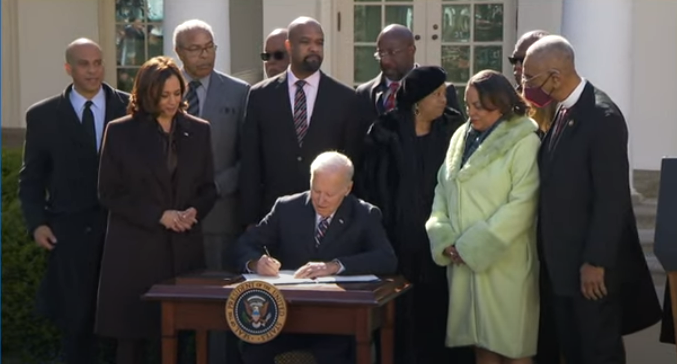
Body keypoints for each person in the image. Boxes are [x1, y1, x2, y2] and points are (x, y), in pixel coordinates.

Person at [523, 35, 661, 364]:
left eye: (530, 78)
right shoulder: (562, 112)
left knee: (597, 352)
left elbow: (611, 199)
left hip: (590, 273)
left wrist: (596, 262)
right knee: (572, 351)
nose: (525, 85)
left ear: (555, 76)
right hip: (561, 268)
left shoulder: (602, 117)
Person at [95, 56, 217, 364]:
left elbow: (208, 189)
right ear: (147, 93)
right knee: (133, 339)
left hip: (183, 252)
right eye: (165, 95)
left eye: (178, 93)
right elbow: (109, 193)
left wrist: (193, 211)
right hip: (135, 252)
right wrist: (158, 215)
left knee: (184, 336)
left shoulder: (199, 130)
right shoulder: (120, 132)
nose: (173, 101)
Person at [17, 38, 129, 364]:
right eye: (84, 64)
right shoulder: (42, 116)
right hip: (68, 237)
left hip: (121, 234)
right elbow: (32, 179)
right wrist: (36, 224)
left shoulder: (130, 108)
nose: (93, 70)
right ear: (69, 68)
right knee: (75, 326)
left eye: (97, 62)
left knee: (118, 324)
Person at [235, 151, 398, 364]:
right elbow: (244, 245)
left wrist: (335, 266)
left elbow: (386, 258)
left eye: (329, 194)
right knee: (253, 348)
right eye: (316, 190)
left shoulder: (365, 215)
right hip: (288, 318)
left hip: (338, 322)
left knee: (336, 354)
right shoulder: (286, 208)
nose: (321, 200)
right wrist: (256, 263)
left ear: (347, 189)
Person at [356, 66, 471, 364]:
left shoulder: (454, 129)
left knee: (438, 310)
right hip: (396, 239)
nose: (444, 99)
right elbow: (369, 187)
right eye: (437, 94)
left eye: (444, 92)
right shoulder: (385, 131)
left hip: (441, 239)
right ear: (418, 100)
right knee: (401, 316)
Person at [426, 70, 541, 364]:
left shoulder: (524, 140)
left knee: (514, 349)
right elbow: (443, 189)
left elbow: (523, 203)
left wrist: (474, 246)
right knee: (481, 347)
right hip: (461, 262)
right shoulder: (460, 138)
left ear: (499, 104)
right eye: (468, 105)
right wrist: (446, 238)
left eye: (478, 106)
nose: (471, 112)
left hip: (506, 262)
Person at [172, 18, 250, 364]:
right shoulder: (163, 90)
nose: (205, 55)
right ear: (178, 52)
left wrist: (214, 190)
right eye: (195, 49)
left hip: (220, 215)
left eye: (210, 47)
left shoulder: (240, 92)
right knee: (174, 302)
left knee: (220, 305)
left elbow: (248, 159)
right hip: (170, 220)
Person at [239, 16, 364, 228]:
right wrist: (250, 223)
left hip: (329, 221)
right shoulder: (260, 96)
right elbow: (250, 165)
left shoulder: (345, 98)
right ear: (289, 46)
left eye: (319, 42)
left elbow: (353, 163)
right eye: (306, 42)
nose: (314, 48)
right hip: (273, 218)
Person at [356, 24, 462, 125]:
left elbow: (457, 136)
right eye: (381, 53)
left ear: (411, 50)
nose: (386, 60)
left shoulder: (442, 92)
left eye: (392, 52)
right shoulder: (365, 94)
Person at [511, 30, 557, 137]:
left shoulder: (565, 106)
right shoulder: (507, 103)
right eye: (514, 60)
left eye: (523, 60)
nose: (517, 66)